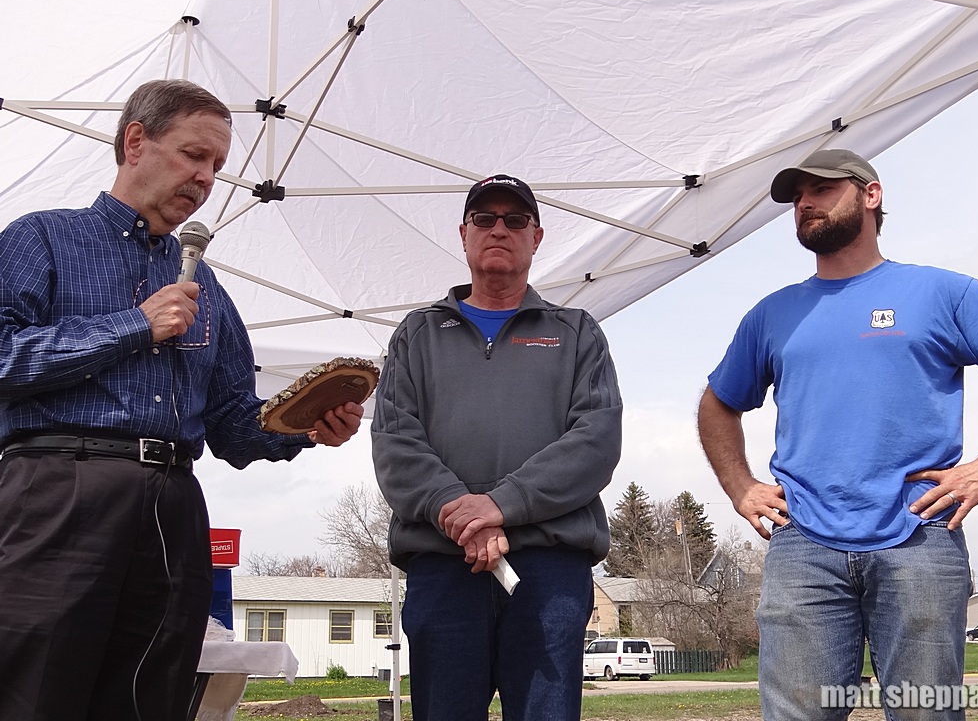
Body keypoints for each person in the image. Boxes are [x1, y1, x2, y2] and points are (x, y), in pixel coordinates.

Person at [0, 79, 363, 721]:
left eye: (218, 166)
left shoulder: (206, 284)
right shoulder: (42, 239)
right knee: (37, 689)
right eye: (195, 155)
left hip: (174, 502)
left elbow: (231, 425)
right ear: (135, 141)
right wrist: (133, 325)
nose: (206, 177)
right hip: (58, 489)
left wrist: (304, 425)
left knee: (153, 698)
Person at [697, 149, 978, 721]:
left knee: (928, 711)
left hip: (920, 537)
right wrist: (740, 486)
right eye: (796, 196)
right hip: (803, 545)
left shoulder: (945, 294)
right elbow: (717, 404)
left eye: (820, 189)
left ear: (871, 195)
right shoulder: (774, 314)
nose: (804, 203)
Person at [372, 174, 623, 721]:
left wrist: (499, 505)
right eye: (485, 219)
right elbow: (395, 440)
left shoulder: (576, 332)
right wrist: (458, 513)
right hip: (443, 566)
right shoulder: (417, 333)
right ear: (464, 235)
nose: (499, 229)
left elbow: (595, 440)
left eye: (515, 220)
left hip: (549, 572)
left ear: (536, 236)